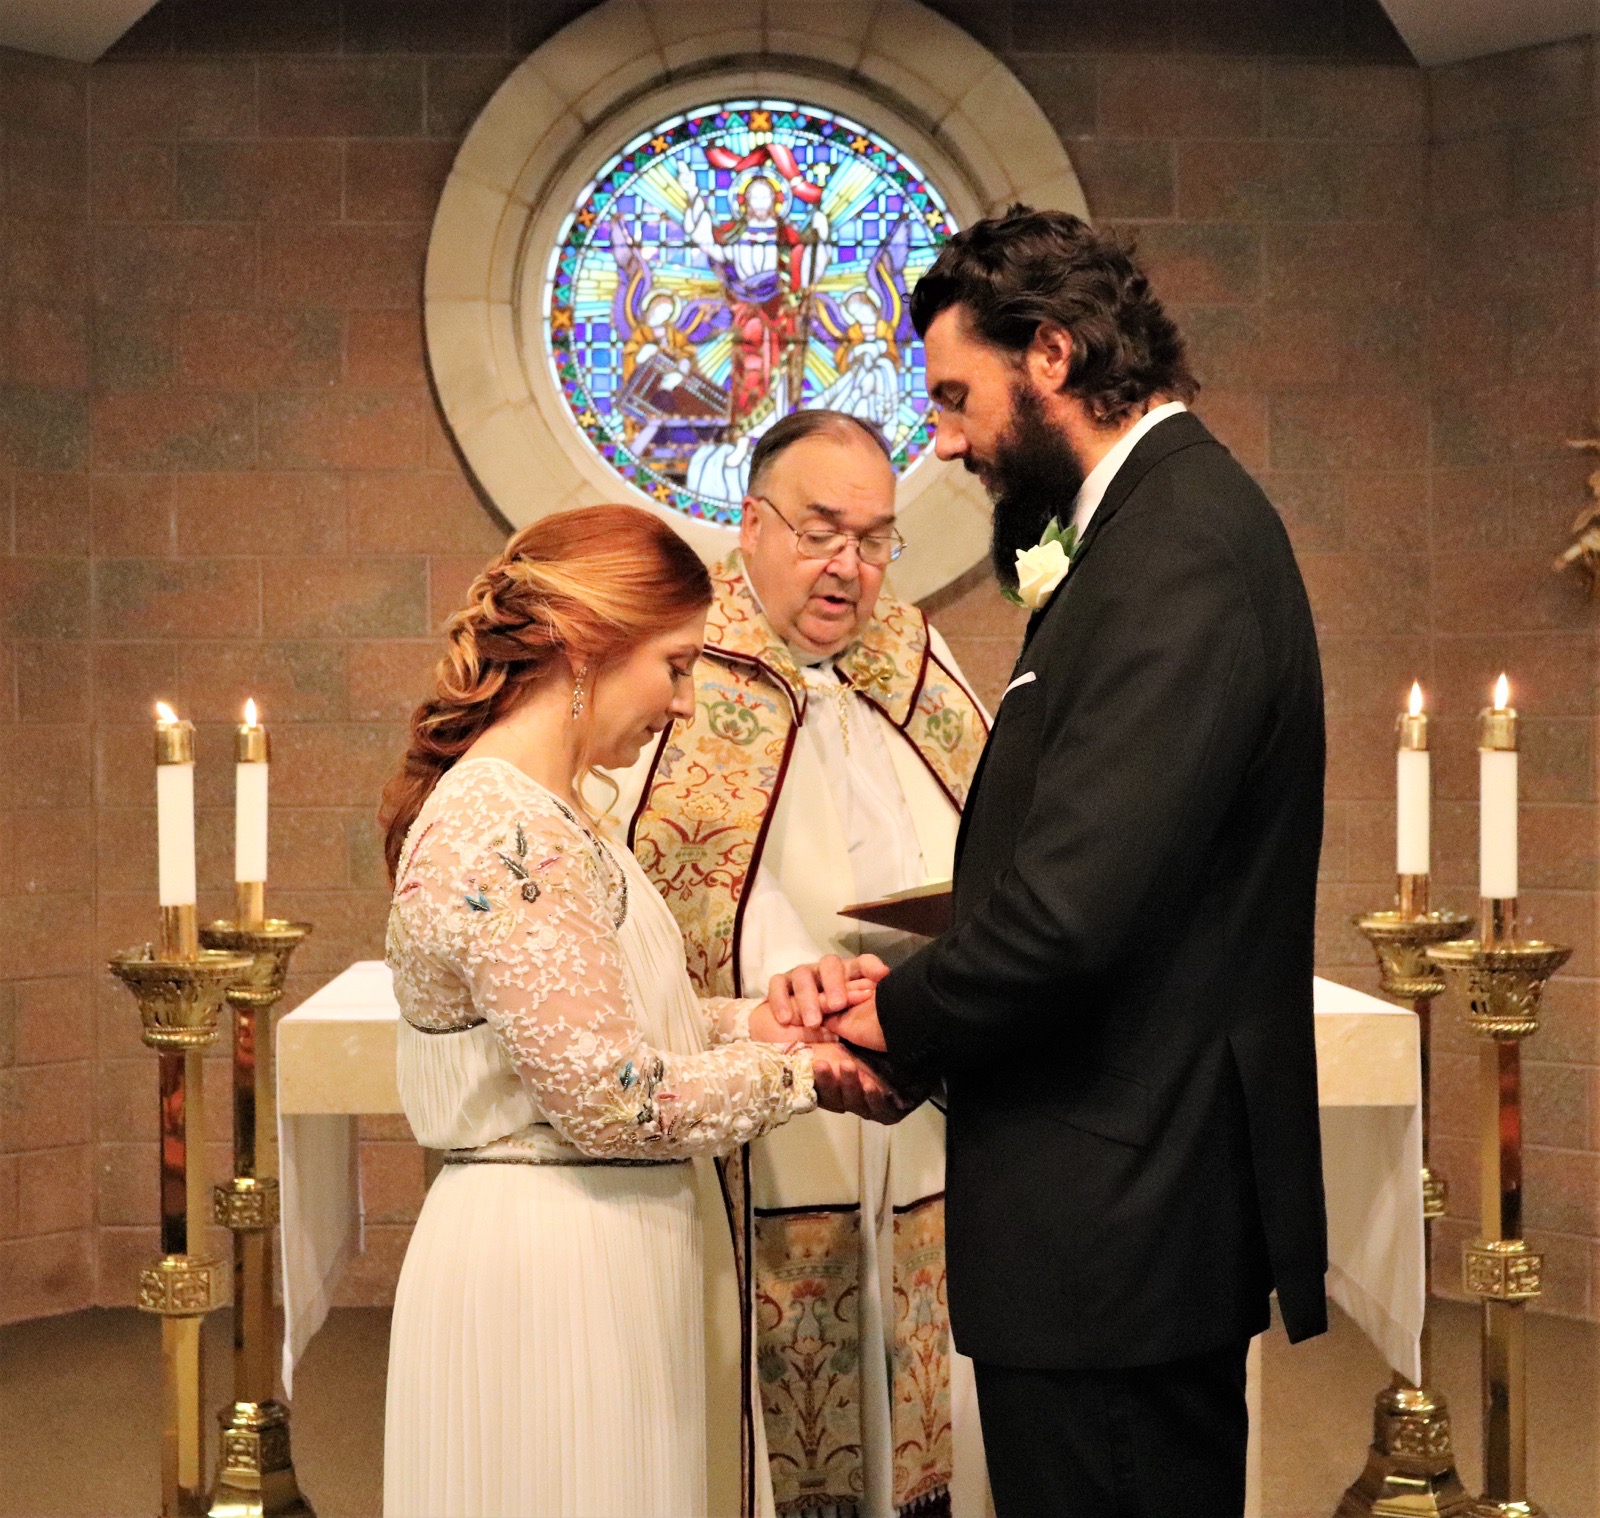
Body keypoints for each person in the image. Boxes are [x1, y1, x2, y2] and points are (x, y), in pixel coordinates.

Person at [801, 208, 1330, 1516]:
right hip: (1097, 1209)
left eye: (955, 394)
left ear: (1049, 353)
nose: (946, 437)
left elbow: (1074, 912)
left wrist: (895, 1013)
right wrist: (908, 1019)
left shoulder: (1179, 547)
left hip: (1124, 1222)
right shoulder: (1139, 537)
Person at [376, 504, 896, 1518]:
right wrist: (810, 1071)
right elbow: (612, 1100)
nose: (685, 702)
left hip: (601, 1249)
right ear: (584, 648)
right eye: (673, 664)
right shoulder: (501, 829)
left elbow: (612, 1022)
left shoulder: (554, 811)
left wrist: (764, 1019)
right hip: (550, 1274)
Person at [612, 410, 992, 1518]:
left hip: (917, 1075)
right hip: (769, 1095)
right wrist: (787, 993)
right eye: (823, 531)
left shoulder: (912, 654)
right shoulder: (687, 664)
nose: (850, 568)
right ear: (752, 520)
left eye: (875, 540)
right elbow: (658, 903)